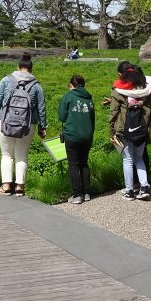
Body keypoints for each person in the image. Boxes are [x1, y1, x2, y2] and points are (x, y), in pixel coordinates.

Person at [0, 53, 47, 196]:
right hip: (28, 125)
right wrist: (42, 127)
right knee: (22, 155)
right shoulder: (36, 86)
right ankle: (19, 187)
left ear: (18, 67)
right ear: (31, 69)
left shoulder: (6, 80)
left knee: (6, 155)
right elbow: (41, 108)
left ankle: (6, 186)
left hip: (6, 123)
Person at [109, 63, 151, 201]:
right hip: (142, 129)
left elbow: (113, 112)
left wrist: (111, 130)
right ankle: (144, 187)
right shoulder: (145, 90)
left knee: (127, 160)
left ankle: (129, 191)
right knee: (139, 158)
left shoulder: (118, 91)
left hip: (124, 129)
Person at [58, 74, 95, 204]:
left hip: (72, 136)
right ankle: (87, 193)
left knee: (73, 165)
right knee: (84, 163)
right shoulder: (89, 98)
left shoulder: (68, 97)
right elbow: (92, 118)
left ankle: (76, 195)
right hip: (87, 136)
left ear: (71, 85)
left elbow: (62, 117)